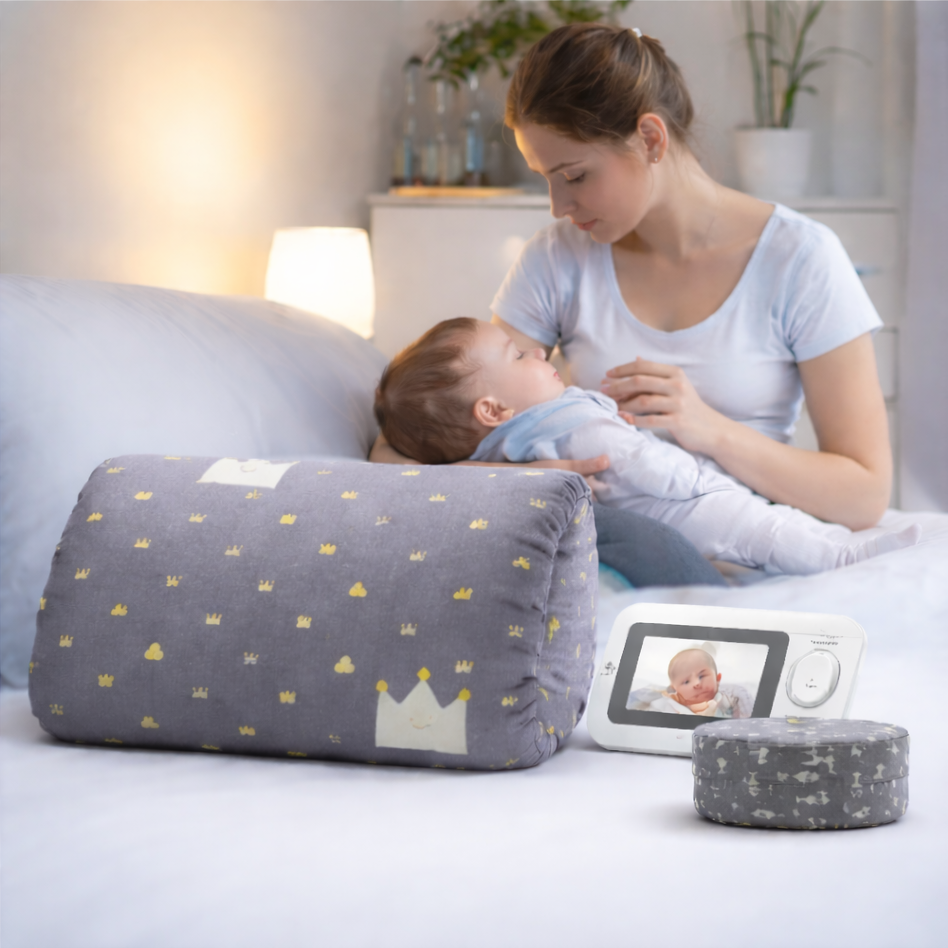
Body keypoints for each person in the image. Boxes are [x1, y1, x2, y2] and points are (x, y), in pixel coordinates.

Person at [372, 23, 893, 583]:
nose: (557, 205)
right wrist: (501, 482)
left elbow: (864, 496)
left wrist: (708, 428)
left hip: (756, 554)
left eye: (573, 175)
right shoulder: (557, 258)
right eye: (547, 179)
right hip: (610, 563)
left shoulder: (801, 259)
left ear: (649, 139)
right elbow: (410, 441)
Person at [373, 318, 918, 574]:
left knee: (763, 531)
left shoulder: (522, 437)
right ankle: (845, 556)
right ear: (493, 411)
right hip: (685, 501)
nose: (539, 355)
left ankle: (838, 547)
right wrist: (691, 478)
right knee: (761, 531)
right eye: (519, 357)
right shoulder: (554, 427)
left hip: (685, 501)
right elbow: (631, 459)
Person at [652, 647, 753, 718]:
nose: (697, 683)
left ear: (717, 679)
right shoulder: (669, 707)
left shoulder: (731, 700)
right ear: (675, 689)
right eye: (686, 681)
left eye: (702, 676)